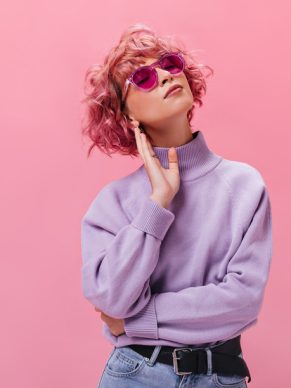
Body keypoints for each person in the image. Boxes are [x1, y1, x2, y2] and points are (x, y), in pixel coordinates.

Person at [80, 22, 273, 388]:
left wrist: (137, 322)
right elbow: (111, 301)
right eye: (144, 78)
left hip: (221, 375)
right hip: (135, 374)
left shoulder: (245, 186)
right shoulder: (114, 203)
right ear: (125, 116)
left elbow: (242, 299)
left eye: (169, 64)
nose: (165, 77)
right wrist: (157, 202)